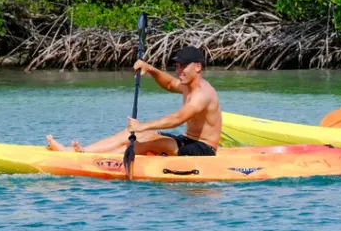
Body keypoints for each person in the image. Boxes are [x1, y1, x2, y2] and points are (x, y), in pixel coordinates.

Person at [46, 46, 221, 156]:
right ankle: (79, 152)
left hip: (203, 149)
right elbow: (168, 83)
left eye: (183, 66)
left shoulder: (202, 94)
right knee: (130, 134)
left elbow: (177, 118)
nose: (178, 71)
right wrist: (150, 69)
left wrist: (142, 125)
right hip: (186, 140)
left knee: (145, 141)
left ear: (198, 67)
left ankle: (91, 158)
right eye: (177, 66)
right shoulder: (187, 84)